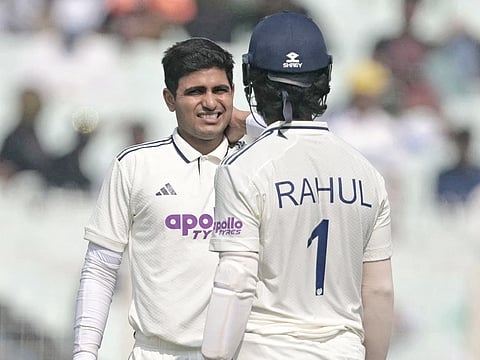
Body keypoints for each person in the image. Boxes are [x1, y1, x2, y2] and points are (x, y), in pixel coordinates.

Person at [201, 11, 394, 360]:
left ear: (251, 79)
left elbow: (237, 280)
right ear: (324, 79)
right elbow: (379, 291)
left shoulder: (242, 171)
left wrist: (213, 355)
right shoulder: (367, 175)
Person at [72, 37, 250, 360]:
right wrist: (85, 353)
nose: (210, 103)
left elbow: (304, 146)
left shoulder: (257, 166)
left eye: (220, 90)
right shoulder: (135, 166)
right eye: (196, 92)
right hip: (156, 352)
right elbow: (100, 267)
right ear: (170, 99)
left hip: (242, 353)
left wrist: (251, 123)